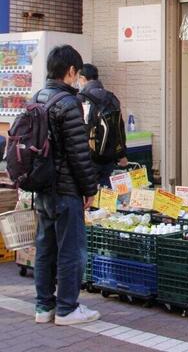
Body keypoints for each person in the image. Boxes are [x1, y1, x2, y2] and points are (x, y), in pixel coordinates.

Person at [33, 45, 100, 325]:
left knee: (45, 248)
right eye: (77, 72)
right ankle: (67, 308)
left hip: (42, 187)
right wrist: (90, 189)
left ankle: (43, 307)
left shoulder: (38, 97)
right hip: (66, 189)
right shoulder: (69, 103)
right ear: (71, 71)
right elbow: (78, 153)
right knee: (71, 250)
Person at [78, 64, 128, 187]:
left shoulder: (82, 99)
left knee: (90, 193)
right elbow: (119, 127)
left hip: (89, 157)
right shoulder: (111, 97)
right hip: (110, 156)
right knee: (107, 193)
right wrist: (122, 154)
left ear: (83, 78)